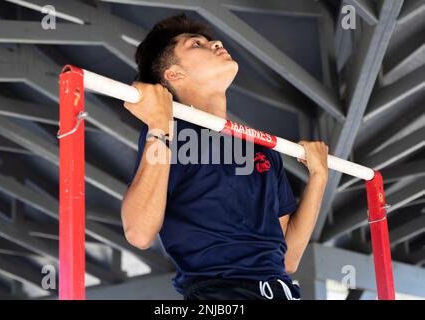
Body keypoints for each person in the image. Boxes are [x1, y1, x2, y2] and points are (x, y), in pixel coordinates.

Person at [121, 14, 329, 300]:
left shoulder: (261, 148)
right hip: (219, 296)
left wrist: (319, 178)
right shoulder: (170, 133)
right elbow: (139, 233)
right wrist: (158, 125)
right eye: (197, 44)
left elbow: (287, 259)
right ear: (174, 74)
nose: (216, 42)